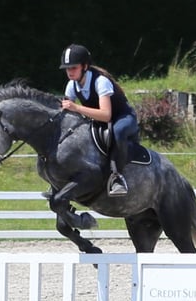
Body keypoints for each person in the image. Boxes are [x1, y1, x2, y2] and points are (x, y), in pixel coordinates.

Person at [59, 44, 139, 196]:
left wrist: (76, 108)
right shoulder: (72, 85)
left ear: (85, 66)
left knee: (117, 131)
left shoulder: (100, 81)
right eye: (67, 69)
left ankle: (117, 177)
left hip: (123, 117)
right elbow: (67, 112)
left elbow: (106, 115)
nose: (69, 72)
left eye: (73, 68)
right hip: (99, 120)